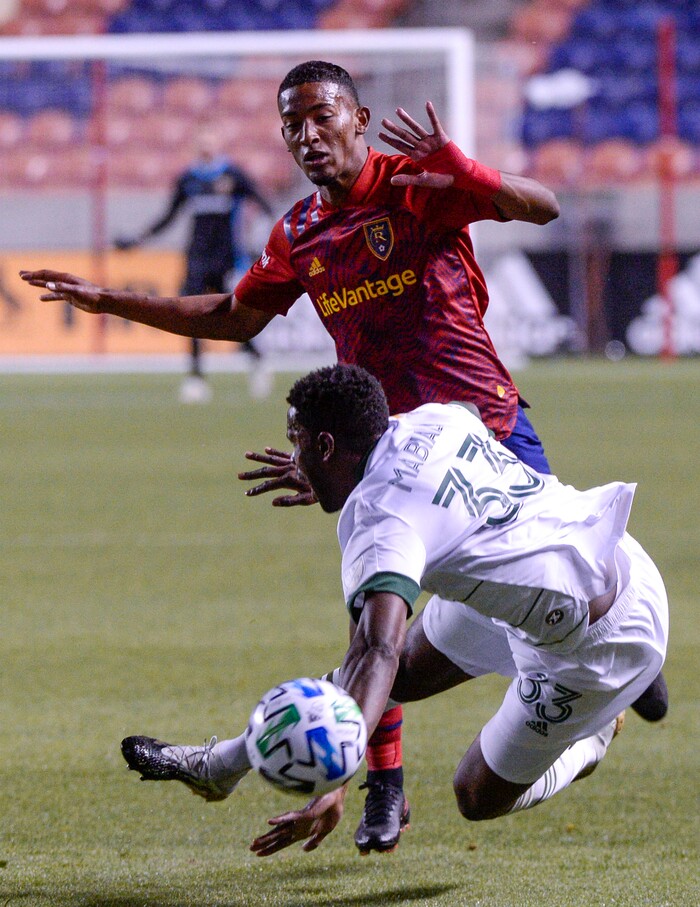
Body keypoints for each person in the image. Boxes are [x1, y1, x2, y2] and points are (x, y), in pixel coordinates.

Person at [19, 59, 666, 855]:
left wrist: (467, 170)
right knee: (384, 616)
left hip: (484, 427)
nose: (307, 135)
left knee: (425, 604)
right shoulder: (299, 232)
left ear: (359, 118)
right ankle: (385, 782)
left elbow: (544, 206)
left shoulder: (417, 186)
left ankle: (598, 665)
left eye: (322, 116)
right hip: (381, 445)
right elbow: (233, 316)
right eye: (292, 124)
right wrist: (109, 300)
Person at [120, 363, 668, 858]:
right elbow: (463, 419)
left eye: (298, 444)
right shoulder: (431, 420)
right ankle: (219, 768)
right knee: (399, 675)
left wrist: (335, 773)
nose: (293, 458)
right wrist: (333, 477)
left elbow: (376, 649)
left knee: (475, 796)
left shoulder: (383, 522)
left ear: (328, 446)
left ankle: (593, 736)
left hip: (598, 642)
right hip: (595, 556)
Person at [114, 129, 273, 403]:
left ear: (219, 144)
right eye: (202, 143)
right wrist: (139, 239)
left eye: (210, 142)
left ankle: (256, 358)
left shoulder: (233, 175)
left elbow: (263, 206)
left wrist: (263, 241)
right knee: (191, 316)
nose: (206, 147)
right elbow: (169, 216)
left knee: (230, 317)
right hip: (197, 258)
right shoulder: (188, 179)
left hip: (226, 259)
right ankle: (196, 377)